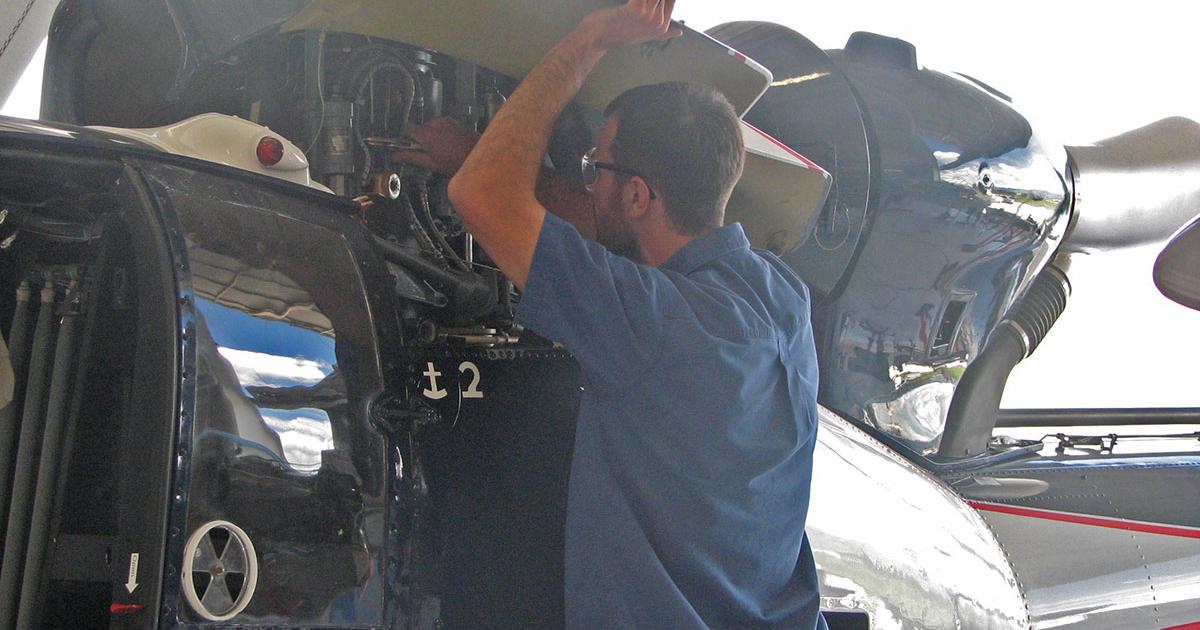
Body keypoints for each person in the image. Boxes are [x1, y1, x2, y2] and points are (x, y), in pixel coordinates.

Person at [399, 1, 825, 627]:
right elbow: (602, 221)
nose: (587, 183)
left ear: (636, 194)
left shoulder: (648, 323)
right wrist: (471, 149)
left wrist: (590, 39)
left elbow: (480, 194)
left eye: (594, 168)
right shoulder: (781, 298)